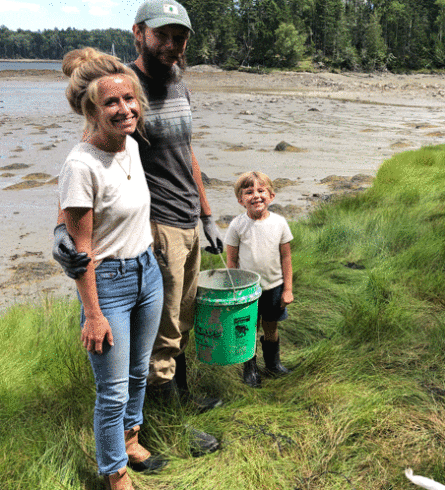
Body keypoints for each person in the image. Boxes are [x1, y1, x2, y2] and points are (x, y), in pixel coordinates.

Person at [53, 0, 223, 454]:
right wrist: (60, 230)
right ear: (138, 33)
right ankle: (168, 424)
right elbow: (85, 159)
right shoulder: (122, 87)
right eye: (161, 35)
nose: (171, 44)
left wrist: (206, 214)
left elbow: (188, 153)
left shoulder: (178, 83)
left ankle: (176, 401)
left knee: (180, 320)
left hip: (187, 221)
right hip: (156, 228)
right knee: (162, 334)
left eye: (179, 36)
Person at [59, 47, 166, 490]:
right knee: (112, 390)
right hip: (109, 285)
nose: (125, 109)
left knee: (139, 371)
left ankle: (131, 438)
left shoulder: (131, 146)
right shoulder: (80, 164)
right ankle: (114, 475)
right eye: (111, 103)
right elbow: (80, 251)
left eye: (130, 99)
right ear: (92, 110)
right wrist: (95, 314)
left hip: (147, 272)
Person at [225, 171, 294, 388]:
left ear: (271, 196)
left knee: (271, 328)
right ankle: (250, 369)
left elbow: (286, 257)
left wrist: (288, 289)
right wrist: (235, 291)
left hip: (274, 288)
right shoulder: (237, 225)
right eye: (248, 192)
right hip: (247, 290)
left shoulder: (280, 223)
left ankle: (273, 364)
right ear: (240, 200)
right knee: (249, 330)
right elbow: (232, 261)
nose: (256, 196)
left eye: (261, 190)